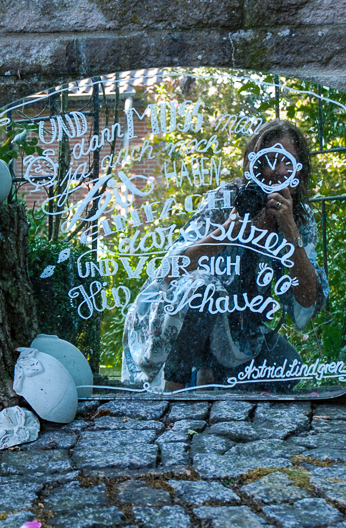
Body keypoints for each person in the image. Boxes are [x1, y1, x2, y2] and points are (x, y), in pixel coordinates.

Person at [121, 119, 329, 392]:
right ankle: (174, 393)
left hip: (241, 333)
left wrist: (290, 232)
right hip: (182, 323)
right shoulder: (227, 199)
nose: (279, 170)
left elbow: (307, 298)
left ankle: (215, 381)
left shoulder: (298, 216)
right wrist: (226, 233)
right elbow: (170, 270)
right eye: (271, 160)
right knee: (204, 290)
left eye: (288, 161)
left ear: (299, 169)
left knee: (288, 366)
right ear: (254, 164)